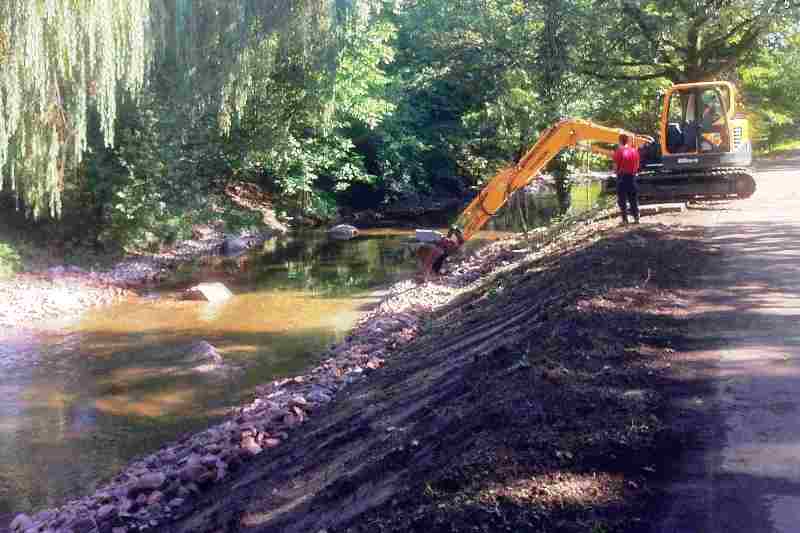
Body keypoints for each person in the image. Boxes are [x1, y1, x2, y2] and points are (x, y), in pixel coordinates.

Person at [613, 133, 640, 225]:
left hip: (622, 178)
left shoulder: (619, 151)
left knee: (622, 199)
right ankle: (636, 217)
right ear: (628, 141)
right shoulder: (634, 151)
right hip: (632, 177)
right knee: (633, 198)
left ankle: (625, 220)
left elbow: (615, 167)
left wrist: (615, 172)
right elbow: (637, 166)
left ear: (620, 141)